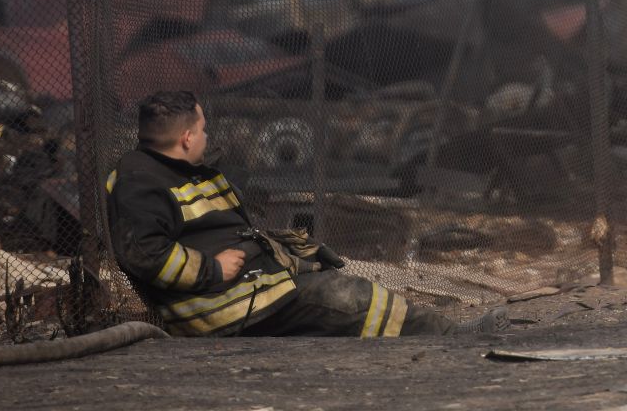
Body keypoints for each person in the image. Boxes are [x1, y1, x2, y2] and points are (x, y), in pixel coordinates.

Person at [107, 90, 492, 337]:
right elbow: (145, 253)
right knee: (353, 298)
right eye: (203, 130)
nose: (207, 138)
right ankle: (449, 335)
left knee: (328, 281)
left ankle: (421, 331)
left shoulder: (171, 170)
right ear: (187, 138)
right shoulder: (138, 182)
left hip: (248, 288)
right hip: (225, 305)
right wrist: (212, 268)